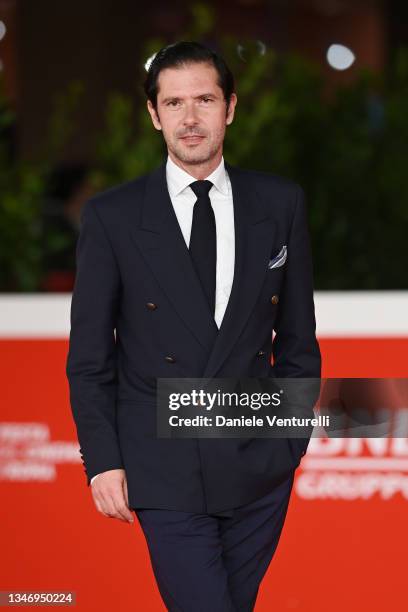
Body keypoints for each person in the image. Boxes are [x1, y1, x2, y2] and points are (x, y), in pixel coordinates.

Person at [66, 41, 321, 611]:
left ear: (229, 107)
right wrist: (103, 459)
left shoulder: (280, 203)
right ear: (154, 115)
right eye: (174, 102)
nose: (190, 117)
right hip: (163, 462)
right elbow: (89, 360)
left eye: (204, 99)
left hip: (258, 461)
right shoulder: (113, 216)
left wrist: (289, 444)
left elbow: (299, 342)